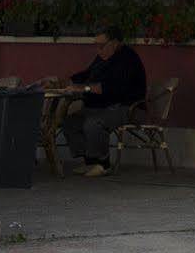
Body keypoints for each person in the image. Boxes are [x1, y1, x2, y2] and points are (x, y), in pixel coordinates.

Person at [59, 28, 147, 177]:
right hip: (101, 107)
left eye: (101, 45)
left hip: (126, 107)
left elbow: (110, 88)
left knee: (93, 123)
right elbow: (87, 74)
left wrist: (83, 88)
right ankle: (90, 161)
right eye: (96, 45)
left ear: (114, 43)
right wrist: (65, 82)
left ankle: (103, 163)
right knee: (70, 122)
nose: (98, 49)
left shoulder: (127, 58)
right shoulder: (102, 57)